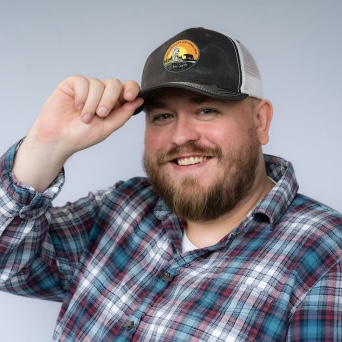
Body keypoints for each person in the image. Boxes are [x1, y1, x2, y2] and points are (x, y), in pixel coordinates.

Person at [0, 27, 341, 341]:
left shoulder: (326, 257)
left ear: (260, 120)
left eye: (206, 110)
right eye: (162, 116)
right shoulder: (120, 206)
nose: (181, 136)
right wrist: (45, 147)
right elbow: (9, 265)